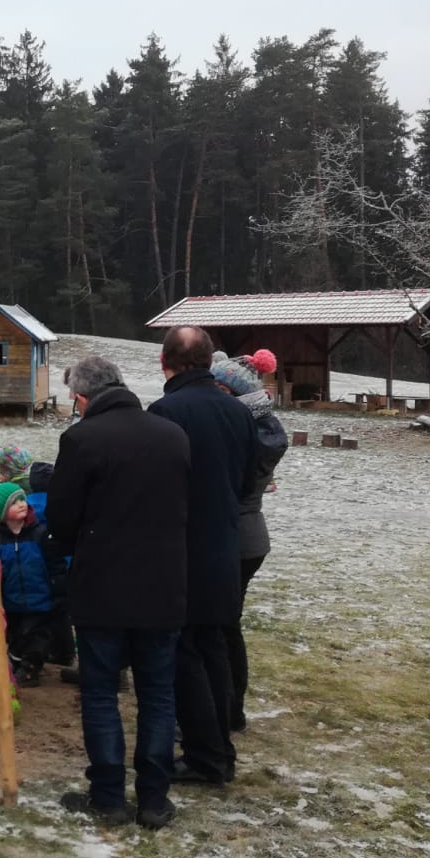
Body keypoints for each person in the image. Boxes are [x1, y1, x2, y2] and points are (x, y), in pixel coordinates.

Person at [49, 354, 191, 829]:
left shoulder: (82, 439)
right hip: (164, 586)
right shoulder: (172, 436)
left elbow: (63, 520)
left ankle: (108, 797)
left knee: (101, 693)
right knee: (156, 694)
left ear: (84, 398)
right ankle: (154, 799)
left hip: (102, 589)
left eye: (74, 399)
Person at [148, 326, 260, 789]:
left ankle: (206, 756)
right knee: (213, 646)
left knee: (186, 654)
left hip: (182, 552)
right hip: (225, 546)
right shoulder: (238, 412)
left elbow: (154, 489)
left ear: (164, 362)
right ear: (211, 362)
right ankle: (219, 751)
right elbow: (250, 479)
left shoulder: (165, 413)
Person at [211, 350, 289, 732]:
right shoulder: (264, 427)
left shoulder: (243, 432)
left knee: (222, 629)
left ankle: (227, 711)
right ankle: (231, 709)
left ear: (228, 390)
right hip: (250, 536)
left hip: (235, 537)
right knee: (228, 627)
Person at [0, 483, 69, 686]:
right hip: (12, 601)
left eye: (22, 499)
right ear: (1, 511)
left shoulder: (41, 533)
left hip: (41, 600)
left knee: (38, 638)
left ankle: (30, 670)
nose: (21, 504)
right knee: (18, 636)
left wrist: (59, 592)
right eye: (14, 502)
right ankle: (19, 662)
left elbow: (56, 564)